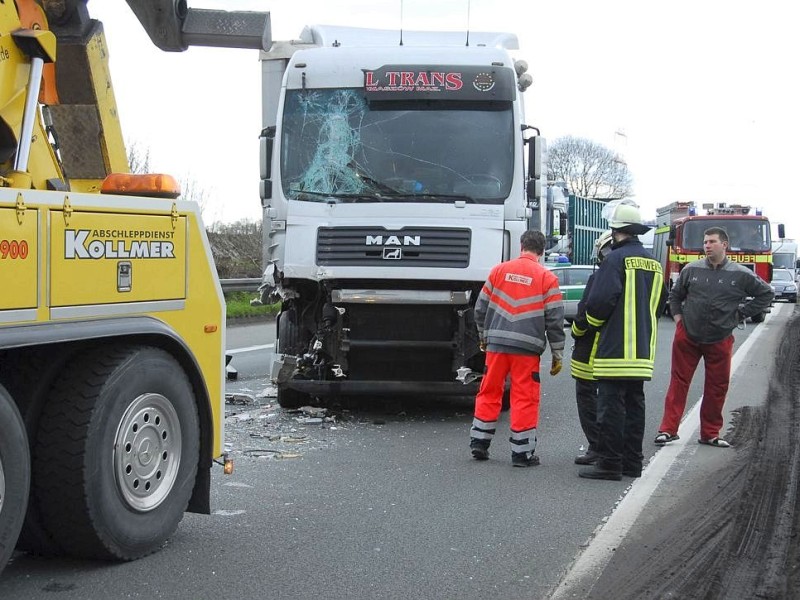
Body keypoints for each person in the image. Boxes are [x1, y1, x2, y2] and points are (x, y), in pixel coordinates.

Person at [654, 226, 774, 448]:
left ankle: (710, 433)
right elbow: (675, 295)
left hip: (720, 337)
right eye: (705, 242)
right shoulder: (692, 269)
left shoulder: (740, 274)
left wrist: (739, 315)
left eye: (711, 242)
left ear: (724, 245)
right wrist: (679, 318)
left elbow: (767, 293)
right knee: (678, 382)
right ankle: (667, 430)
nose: (707, 246)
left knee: (717, 386)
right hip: (688, 335)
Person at [575, 201, 666, 481]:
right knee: (635, 408)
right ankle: (632, 464)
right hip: (642, 352)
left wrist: (587, 327)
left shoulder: (615, 260)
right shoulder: (655, 263)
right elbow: (660, 306)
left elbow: (599, 303)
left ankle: (610, 464)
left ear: (616, 232)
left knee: (610, 410)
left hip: (614, 351)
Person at [469, 230, 566, 467]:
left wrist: (483, 336)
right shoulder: (547, 278)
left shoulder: (498, 271)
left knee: (489, 391)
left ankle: (479, 443)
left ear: (521, 246)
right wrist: (557, 352)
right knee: (524, 396)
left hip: (497, 345)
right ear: (542, 252)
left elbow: (480, 308)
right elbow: (554, 319)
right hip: (527, 348)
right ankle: (521, 453)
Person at [571, 229, 614, 466]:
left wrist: (577, 333)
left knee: (588, 399)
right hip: (621, 352)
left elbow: (585, 311)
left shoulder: (599, 278)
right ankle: (614, 447)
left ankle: (597, 447)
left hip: (590, 351)